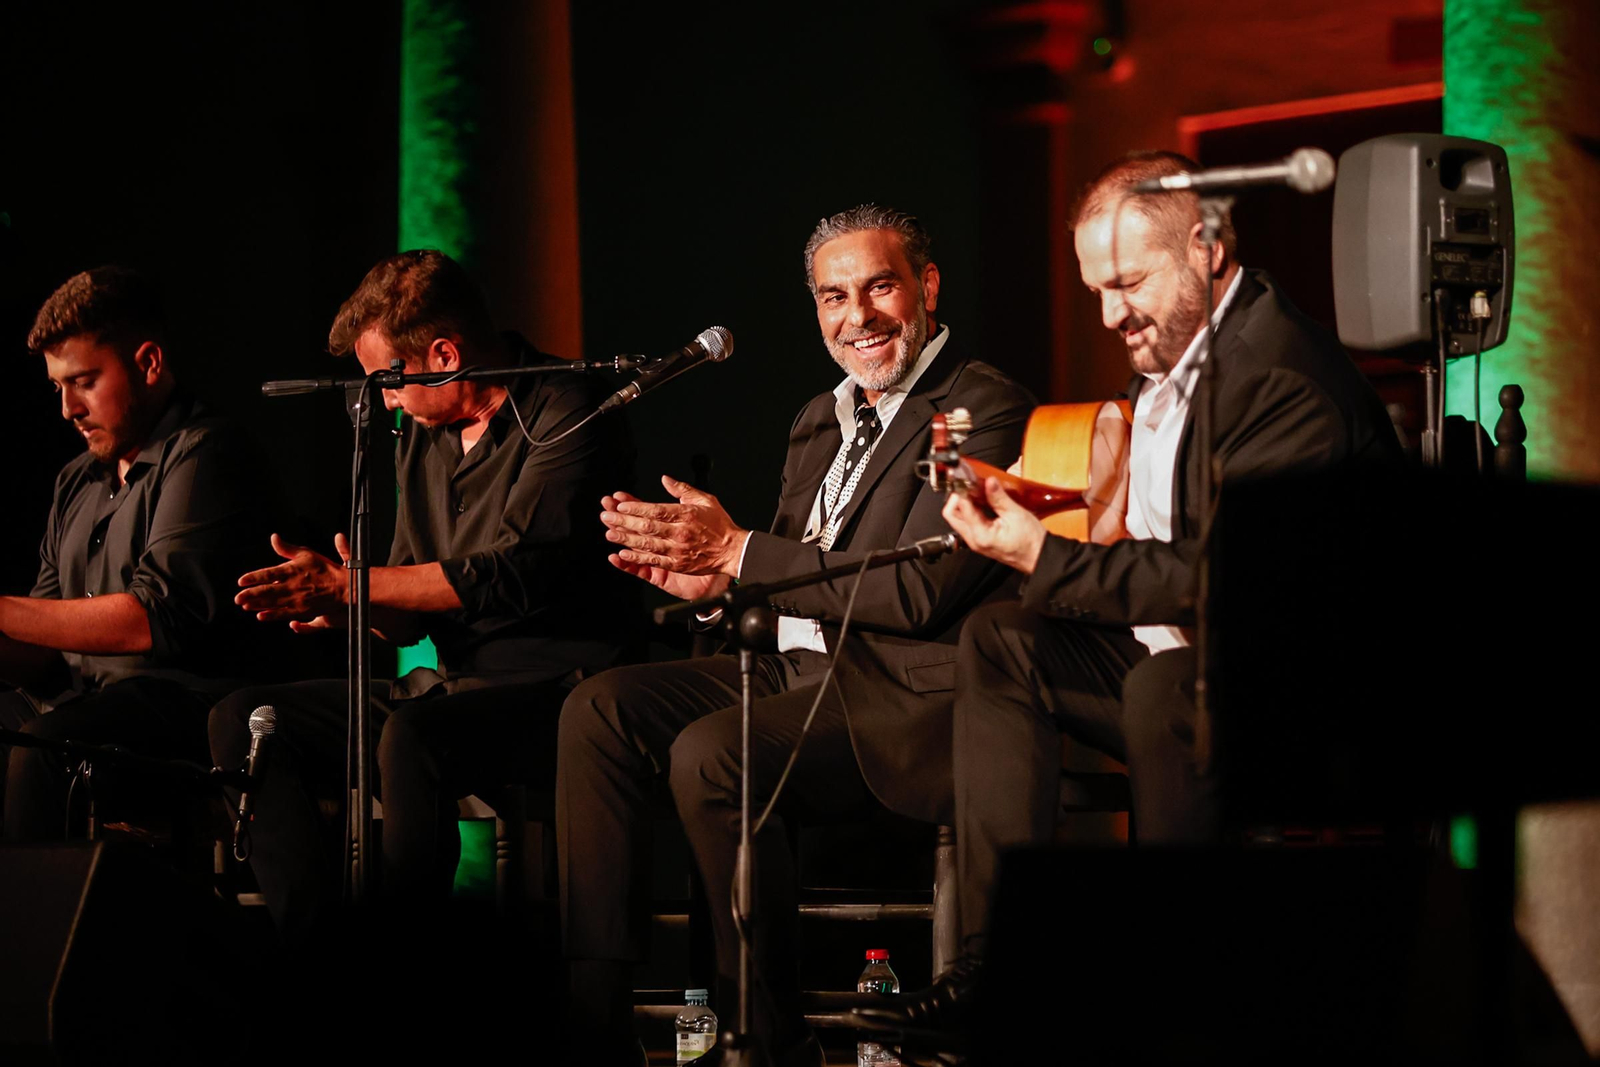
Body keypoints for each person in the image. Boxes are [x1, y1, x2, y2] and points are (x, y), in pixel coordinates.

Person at [869, 151, 1403, 1029]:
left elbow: (1217, 576)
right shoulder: (1180, 349)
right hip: (1191, 663)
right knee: (1003, 640)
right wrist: (1045, 497)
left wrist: (1045, 553)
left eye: (1127, 283)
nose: (1111, 313)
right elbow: (1144, 511)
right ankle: (1000, 965)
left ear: (1208, 248)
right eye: (1095, 290)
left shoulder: (1279, 375)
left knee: (1166, 683)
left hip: (1306, 694)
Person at [556, 205, 1037, 1065]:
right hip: (792, 666)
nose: (858, 317)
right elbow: (780, 575)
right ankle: (595, 1010)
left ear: (926, 287)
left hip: (897, 693)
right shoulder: (819, 417)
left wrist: (740, 548)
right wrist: (713, 587)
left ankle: (762, 1033)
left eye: (879, 287)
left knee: (715, 752)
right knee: (598, 709)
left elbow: (924, 585)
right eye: (832, 297)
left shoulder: (975, 407)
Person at [208, 250, 634, 941]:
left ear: (442, 354)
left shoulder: (569, 405)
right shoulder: (423, 437)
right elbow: (411, 618)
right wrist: (354, 603)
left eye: (389, 381)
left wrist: (353, 583)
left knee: (413, 736)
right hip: (452, 685)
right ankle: (321, 949)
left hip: (559, 687)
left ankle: (409, 969)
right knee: (246, 720)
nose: (384, 401)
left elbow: (514, 573)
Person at [1, 266, 273, 840]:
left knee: (49, 750)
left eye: (85, 381)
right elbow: (42, 643)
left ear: (149, 363)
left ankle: (38, 928)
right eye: (58, 387)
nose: (68, 409)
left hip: (184, 713)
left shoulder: (206, 453)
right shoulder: (76, 481)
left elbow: (155, 617)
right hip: (84, 706)